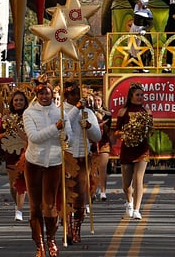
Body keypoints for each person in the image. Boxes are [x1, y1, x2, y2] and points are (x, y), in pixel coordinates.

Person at [23, 78, 68, 257]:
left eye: (47, 93)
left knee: (49, 204)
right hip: (34, 162)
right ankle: (39, 243)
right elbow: (34, 137)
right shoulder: (29, 113)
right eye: (41, 93)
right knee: (35, 206)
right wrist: (55, 129)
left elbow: (69, 136)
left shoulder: (60, 112)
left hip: (54, 162)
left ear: (52, 94)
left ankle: (51, 239)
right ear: (36, 94)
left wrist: (66, 137)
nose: (44, 96)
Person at [62, 82, 101, 243]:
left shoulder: (88, 112)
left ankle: (77, 228)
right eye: (71, 94)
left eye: (77, 93)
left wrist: (90, 126)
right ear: (66, 95)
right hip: (63, 157)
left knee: (80, 195)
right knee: (65, 196)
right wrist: (76, 108)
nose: (75, 97)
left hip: (82, 156)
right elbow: (64, 125)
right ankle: (68, 227)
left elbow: (97, 136)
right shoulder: (59, 110)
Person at [115, 84, 153, 220]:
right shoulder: (123, 111)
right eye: (137, 95)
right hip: (127, 149)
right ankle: (129, 201)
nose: (140, 97)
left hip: (142, 149)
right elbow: (116, 131)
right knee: (126, 184)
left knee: (138, 179)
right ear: (131, 96)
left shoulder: (146, 112)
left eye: (142, 95)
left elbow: (150, 131)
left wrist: (144, 131)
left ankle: (137, 209)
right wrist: (127, 133)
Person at [0, 88, 30, 222]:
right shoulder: (6, 117)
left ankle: (19, 209)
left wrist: (15, 126)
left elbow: (27, 137)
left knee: (21, 182)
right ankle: (17, 205)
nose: (18, 102)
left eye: (21, 100)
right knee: (13, 185)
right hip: (10, 152)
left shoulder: (29, 116)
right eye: (16, 100)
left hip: (24, 153)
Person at [90, 93, 112, 202]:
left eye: (99, 100)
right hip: (93, 143)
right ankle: (93, 191)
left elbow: (108, 131)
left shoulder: (107, 114)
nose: (97, 102)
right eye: (95, 100)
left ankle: (103, 191)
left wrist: (102, 120)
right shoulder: (89, 112)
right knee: (93, 169)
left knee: (102, 167)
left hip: (104, 142)